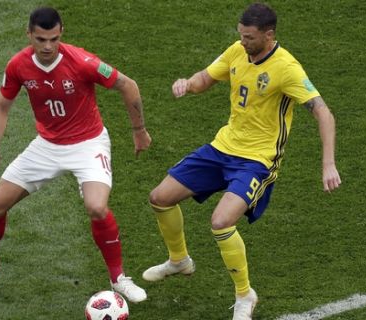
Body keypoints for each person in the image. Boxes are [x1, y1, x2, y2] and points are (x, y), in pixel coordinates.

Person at [142, 3, 341, 319]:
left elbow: (323, 112)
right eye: (241, 35)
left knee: (221, 222)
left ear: (269, 34)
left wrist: (328, 163)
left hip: (257, 161)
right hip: (222, 148)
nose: (243, 42)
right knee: (160, 198)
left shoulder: (287, 68)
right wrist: (187, 84)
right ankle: (179, 261)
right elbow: (206, 78)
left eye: (249, 37)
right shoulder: (238, 51)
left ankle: (245, 295)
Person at [0, 7, 151, 303]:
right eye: (41, 39)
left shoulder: (83, 62)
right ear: (29, 34)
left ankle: (119, 278)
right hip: (47, 147)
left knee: (97, 207)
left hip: (88, 144)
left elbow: (127, 84)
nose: (47, 47)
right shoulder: (18, 65)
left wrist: (139, 130)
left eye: (53, 39)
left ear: (62, 34)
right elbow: (2, 107)